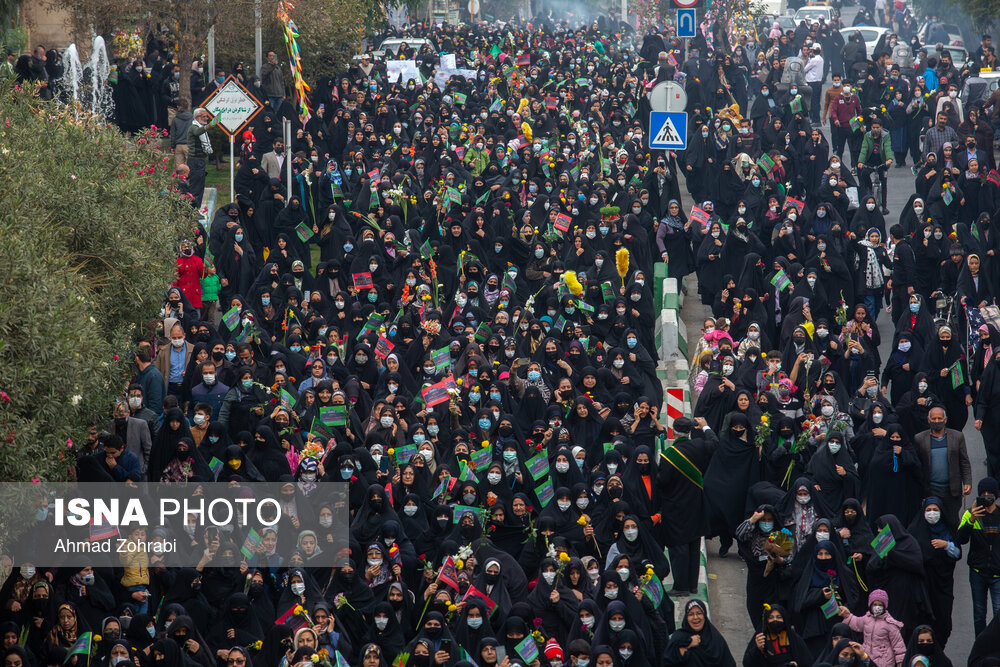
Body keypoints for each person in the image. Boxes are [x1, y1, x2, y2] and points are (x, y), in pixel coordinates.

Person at [914, 407, 973, 530]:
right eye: (934, 418)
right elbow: (917, 464)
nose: (936, 421)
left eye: (939, 418)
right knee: (933, 521)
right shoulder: (919, 439)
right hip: (931, 489)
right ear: (928, 420)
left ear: (945, 420)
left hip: (952, 490)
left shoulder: (957, 437)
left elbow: (964, 461)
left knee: (952, 523)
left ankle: (954, 547)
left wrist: (967, 482)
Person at [957, 477, 1000, 635]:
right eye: (983, 493)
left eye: (990, 493)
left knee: (998, 614)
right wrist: (972, 519)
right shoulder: (970, 514)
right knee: (979, 614)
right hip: (977, 572)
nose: (987, 496)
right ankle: (980, 651)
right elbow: (960, 539)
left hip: (997, 573)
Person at [858, 117, 893, 214]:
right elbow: (864, 149)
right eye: (873, 127)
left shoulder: (885, 136)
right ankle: (869, 189)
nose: (875, 129)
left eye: (877, 127)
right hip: (870, 162)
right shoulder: (867, 136)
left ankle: (884, 206)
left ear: (881, 127)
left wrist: (889, 159)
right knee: (864, 173)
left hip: (882, 162)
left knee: (883, 181)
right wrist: (861, 161)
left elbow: (887, 148)